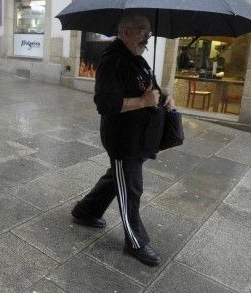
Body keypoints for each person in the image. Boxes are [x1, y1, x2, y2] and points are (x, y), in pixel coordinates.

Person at [71, 14, 176, 266]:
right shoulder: (113, 61)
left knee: (116, 176)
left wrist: (164, 97)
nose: (147, 36)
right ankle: (136, 241)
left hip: (139, 136)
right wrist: (143, 102)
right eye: (142, 30)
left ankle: (85, 211)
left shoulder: (136, 58)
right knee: (131, 188)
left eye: (148, 31)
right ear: (126, 31)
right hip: (123, 138)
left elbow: (149, 88)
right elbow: (105, 104)